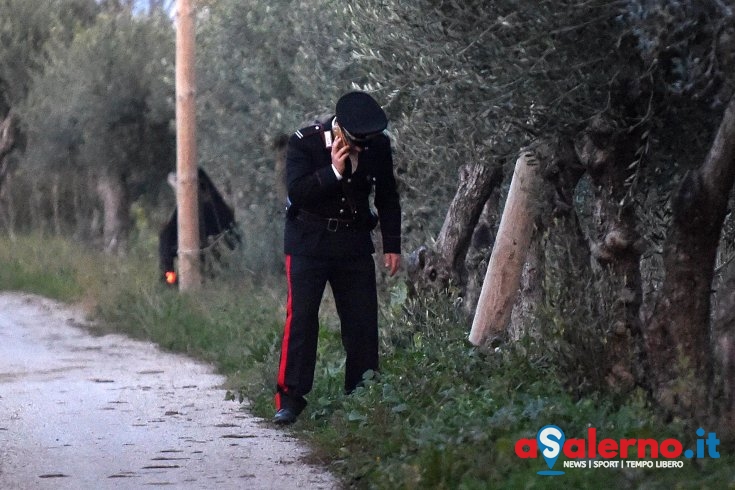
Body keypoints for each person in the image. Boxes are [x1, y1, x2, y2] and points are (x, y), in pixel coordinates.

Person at [273, 91, 402, 425]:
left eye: (365, 144)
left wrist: (392, 243)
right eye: (355, 143)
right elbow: (297, 192)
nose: (361, 149)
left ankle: (362, 395)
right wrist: (333, 170)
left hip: (353, 243)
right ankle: (289, 398)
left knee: (361, 322)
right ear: (341, 129)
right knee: (301, 319)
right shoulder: (305, 142)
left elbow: (387, 194)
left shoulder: (379, 146)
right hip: (308, 242)